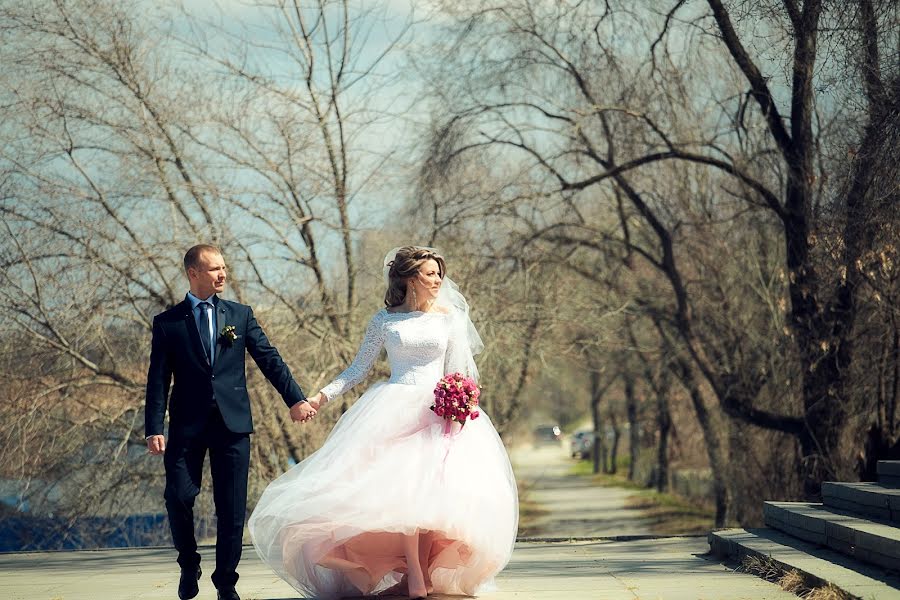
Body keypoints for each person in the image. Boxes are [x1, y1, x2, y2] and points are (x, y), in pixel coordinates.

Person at [249, 246, 518, 599]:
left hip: (439, 412)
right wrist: (320, 397)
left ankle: (416, 576)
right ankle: (417, 578)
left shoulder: (448, 317)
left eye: (439, 273)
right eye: (429, 274)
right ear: (409, 279)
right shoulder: (384, 321)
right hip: (393, 410)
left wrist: (461, 398)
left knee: (430, 500)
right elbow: (357, 370)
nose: (437, 280)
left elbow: (458, 370)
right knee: (402, 497)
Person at [145, 244, 316, 600]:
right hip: (186, 427)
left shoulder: (240, 315)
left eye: (224, 268)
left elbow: (269, 358)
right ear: (194, 273)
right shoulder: (168, 323)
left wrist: (295, 399)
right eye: (214, 269)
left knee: (232, 508)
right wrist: (154, 428)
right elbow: (157, 379)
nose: (223, 274)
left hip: (233, 425)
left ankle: (226, 583)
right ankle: (188, 564)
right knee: (178, 496)